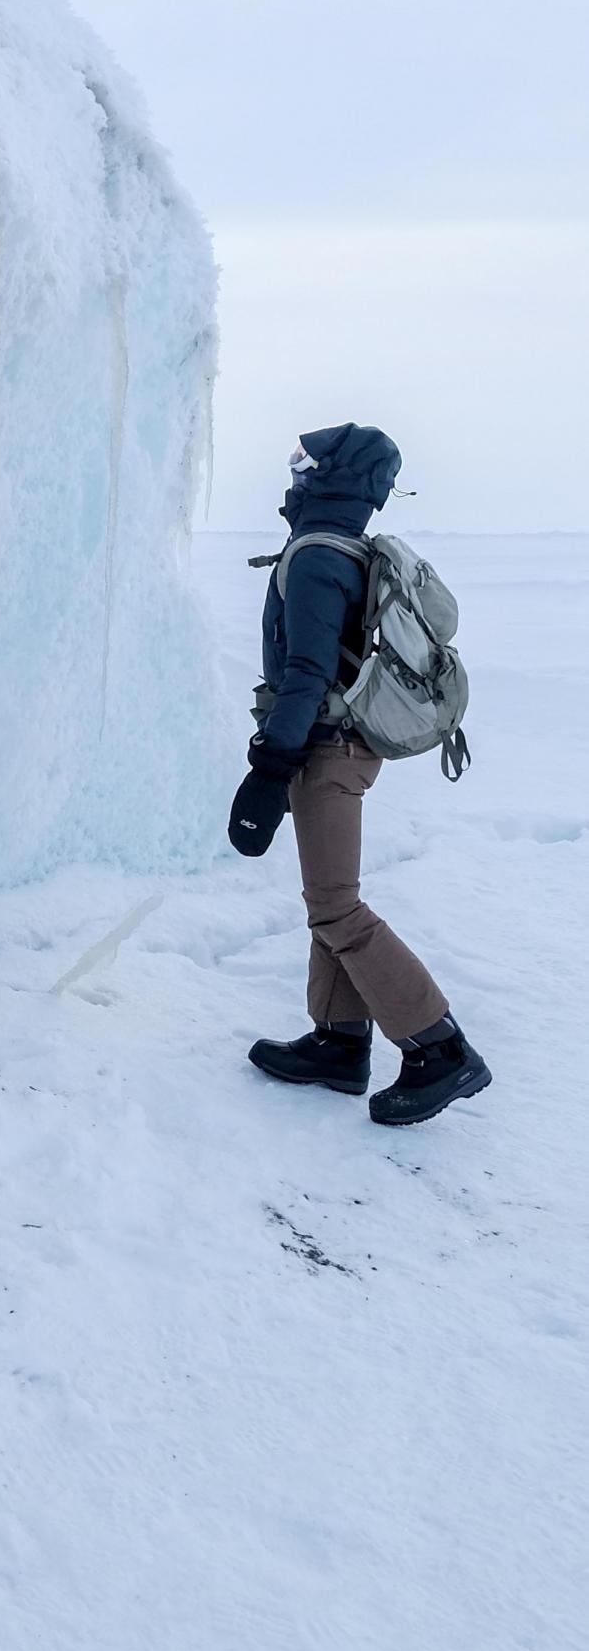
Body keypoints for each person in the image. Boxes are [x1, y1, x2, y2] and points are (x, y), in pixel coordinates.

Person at [234, 423, 491, 1127]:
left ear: (333, 476)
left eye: (306, 460)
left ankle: (440, 1046)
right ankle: (339, 1040)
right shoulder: (339, 546)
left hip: (324, 748)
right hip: (333, 743)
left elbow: (308, 671)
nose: (295, 469)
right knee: (328, 899)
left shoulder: (318, 555)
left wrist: (270, 762)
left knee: (338, 908)